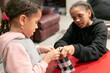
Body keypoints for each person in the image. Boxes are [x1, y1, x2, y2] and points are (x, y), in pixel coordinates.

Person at [0, 0, 60, 73]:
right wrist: (46, 60)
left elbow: (25, 52)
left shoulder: (20, 39)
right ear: (22, 20)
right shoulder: (14, 46)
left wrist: (39, 50)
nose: (37, 26)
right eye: (35, 22)